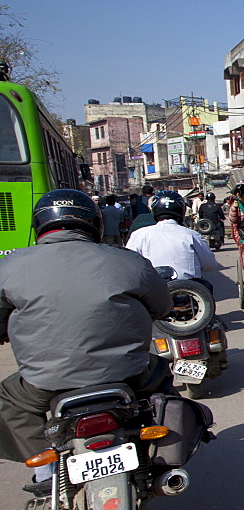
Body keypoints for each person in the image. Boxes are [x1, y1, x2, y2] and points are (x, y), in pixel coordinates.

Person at [0, 190, 172, 493]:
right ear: (94, 223)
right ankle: (163, 449)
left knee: (9, 399)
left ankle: (46, 471)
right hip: (128, 375)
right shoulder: (129, 261)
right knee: (162, 381)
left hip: (46, 383)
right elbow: (163, 307)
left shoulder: (10, 264)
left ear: (39, 224)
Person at [126, 191, 220, 295]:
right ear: (182, 211)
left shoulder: (139, 234)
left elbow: (129, 266)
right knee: (206, 286)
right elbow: (210, 265)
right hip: (189, 293)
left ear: (154, 210)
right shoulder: (192, 235)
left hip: (153, 293)